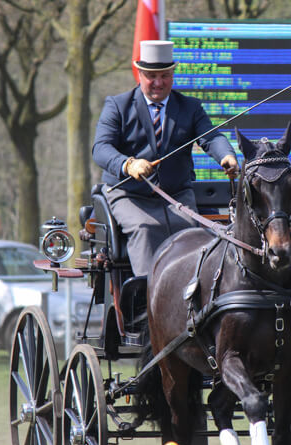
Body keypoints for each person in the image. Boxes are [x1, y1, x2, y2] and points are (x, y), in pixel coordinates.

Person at [92, 40, 239, 277]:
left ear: (172, 75)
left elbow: (211, 137)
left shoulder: (190, 107)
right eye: (151, 76)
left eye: (165, 76)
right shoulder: (117, 106)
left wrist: (227, 155)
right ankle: (146, 293)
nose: (158, 83)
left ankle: (191, 291)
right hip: (129, 194)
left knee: (190, 231)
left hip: (176, 196)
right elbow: (100, 148)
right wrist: (128, 164)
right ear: (140, 74)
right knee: (145, 228)